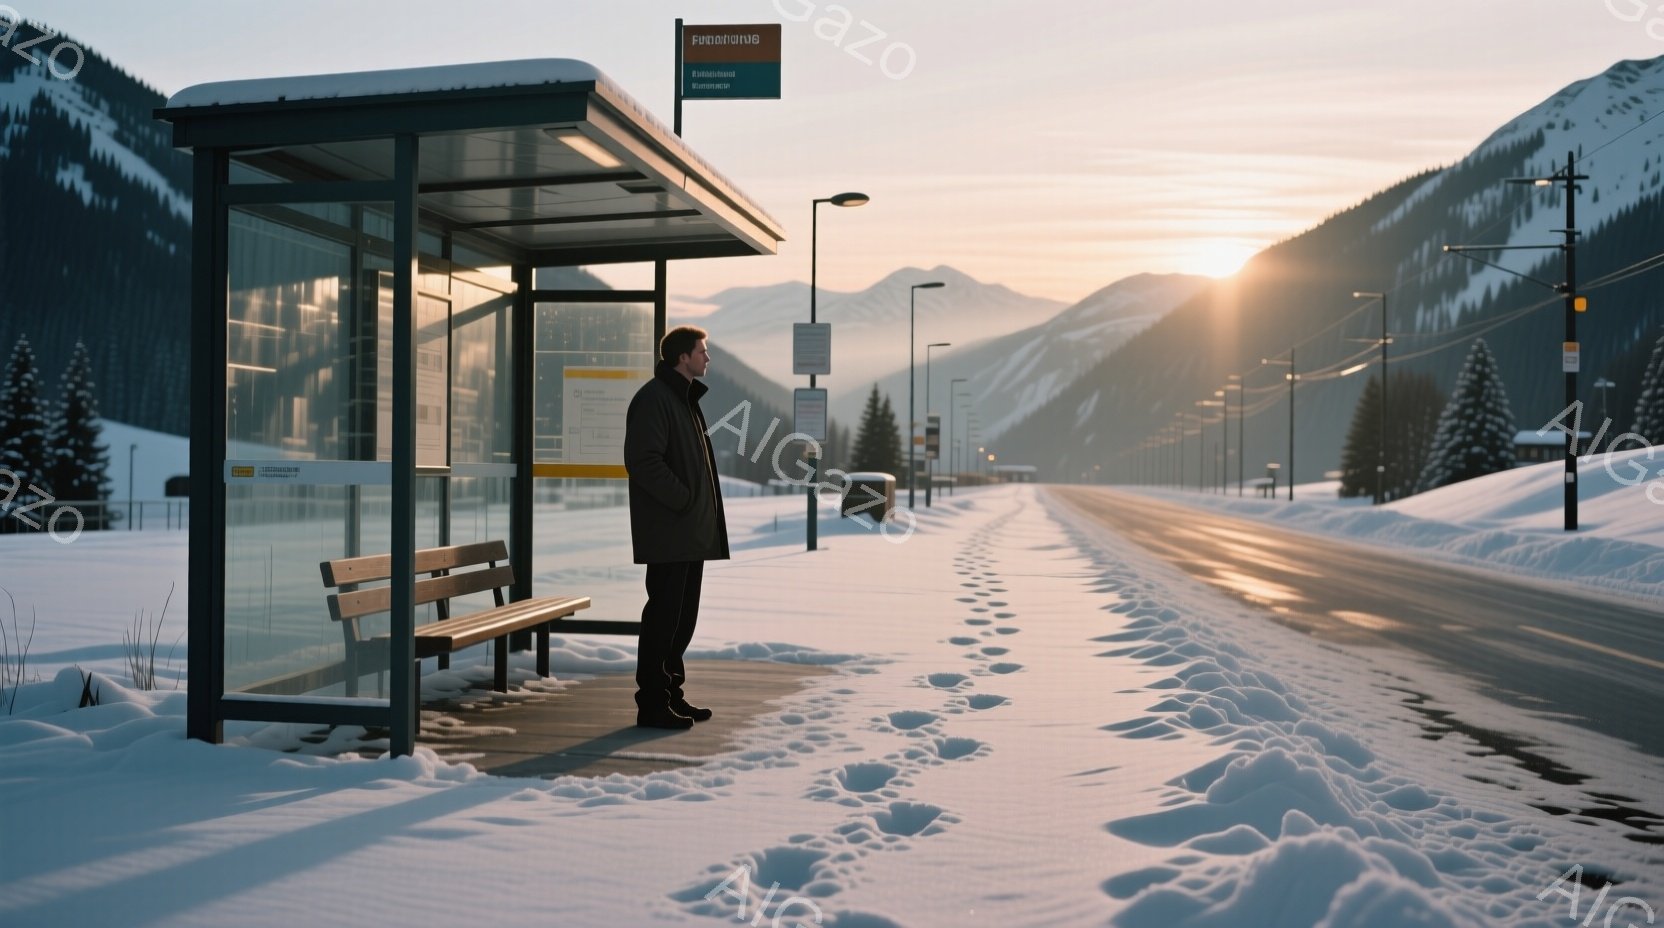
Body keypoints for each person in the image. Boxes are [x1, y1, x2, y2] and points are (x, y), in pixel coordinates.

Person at [623, 325, 730, 729]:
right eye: (702, 351)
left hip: (689, 534)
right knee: (663, 620)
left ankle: (671, 695)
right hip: (671, 533)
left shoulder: (683, 399)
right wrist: (684, 500)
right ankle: (651, 703)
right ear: (683, 357)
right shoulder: (655, 399)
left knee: (681, 621)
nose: (707, 358)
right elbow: (643, 461)